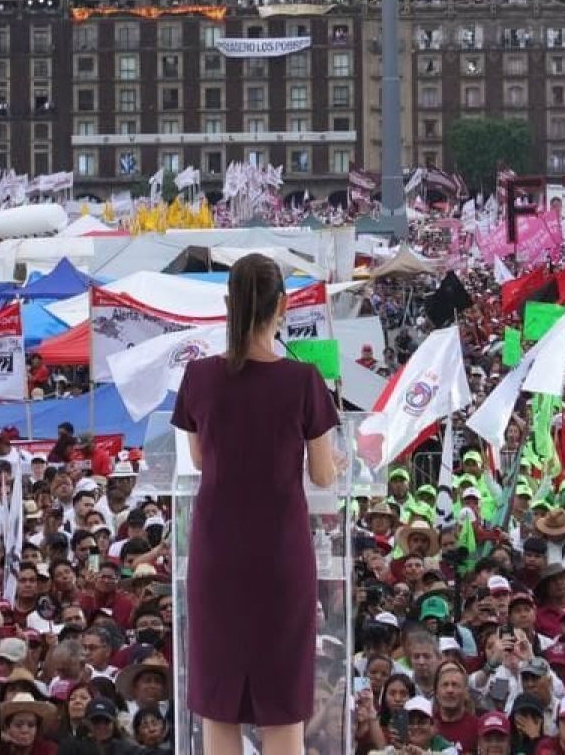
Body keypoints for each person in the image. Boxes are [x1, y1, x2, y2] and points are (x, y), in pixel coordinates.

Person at [169, 254, 340, 755]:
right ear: (282, 306)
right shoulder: (304, 380)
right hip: (280, 561)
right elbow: (323, 474)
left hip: (218, 557)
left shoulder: (199, 378)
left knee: (220, 702)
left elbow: (201, 461)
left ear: (228, 305)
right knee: (282, 703)